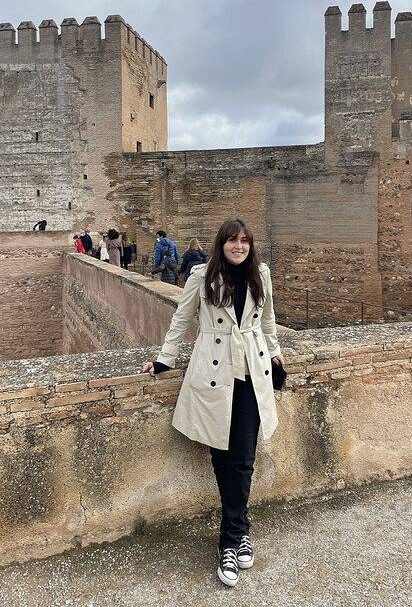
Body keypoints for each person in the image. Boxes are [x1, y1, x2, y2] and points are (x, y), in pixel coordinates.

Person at [143, 218, 284, 588]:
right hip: (215, 375)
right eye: (233, 241)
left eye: (245, 241)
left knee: (244, 457)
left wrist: (276, 355)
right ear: (221, 244)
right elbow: (181, 319)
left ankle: (232, 537)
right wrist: (164, 358)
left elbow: (267, 322)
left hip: (252, 373)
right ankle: (238, 533)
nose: (239, 247)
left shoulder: (261, 275)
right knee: (224, 457)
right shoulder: (201, 276)